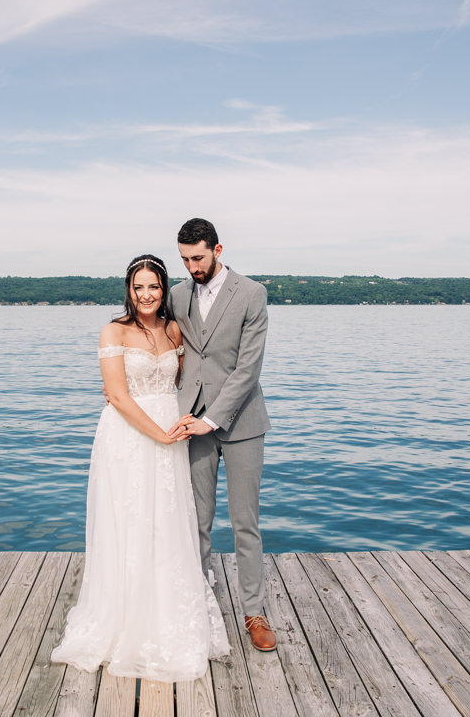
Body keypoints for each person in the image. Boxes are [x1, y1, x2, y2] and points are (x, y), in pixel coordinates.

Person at [51, 254, 229, 682]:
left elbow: (189, 380)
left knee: (166, 521)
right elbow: (118, 395)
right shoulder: (114, 330)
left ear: (163, 289)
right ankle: (123, 618)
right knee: (128, 519)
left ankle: (166, 611)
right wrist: (159, 433)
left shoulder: (173, 329)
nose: (146, 295)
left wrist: (186, 422)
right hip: (130, 437)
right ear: (129, 290)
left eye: (153, 287)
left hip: (169, 431)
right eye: (138, 287)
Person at [170, 218, 277, 652]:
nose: (192, 266)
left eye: (197, 257)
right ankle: (197, 603)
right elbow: (156, 340)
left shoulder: (252, 294)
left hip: (241, 424)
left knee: (244, 523)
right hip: (190, 423)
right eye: (184, 259)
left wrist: (211, 419)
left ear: (217, 249)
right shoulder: (177, 295)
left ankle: (253, 611)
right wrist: (117, 380)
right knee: (196, 521)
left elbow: (248, 369)